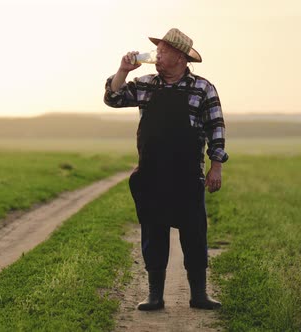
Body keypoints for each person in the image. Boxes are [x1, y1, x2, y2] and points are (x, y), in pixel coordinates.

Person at [104, 28, 228, 311]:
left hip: (187, 173)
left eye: (163, 51)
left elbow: (216, 128)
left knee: (194, 233)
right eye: (157, 50)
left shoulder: (203, 88)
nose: (157, 55)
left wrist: (216, 166)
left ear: (180, 58)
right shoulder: (145, 83)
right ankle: (154, 295)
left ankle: (199, 294)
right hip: (152, 173)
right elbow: (113, 98)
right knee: (153, 232)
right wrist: (122, 70)